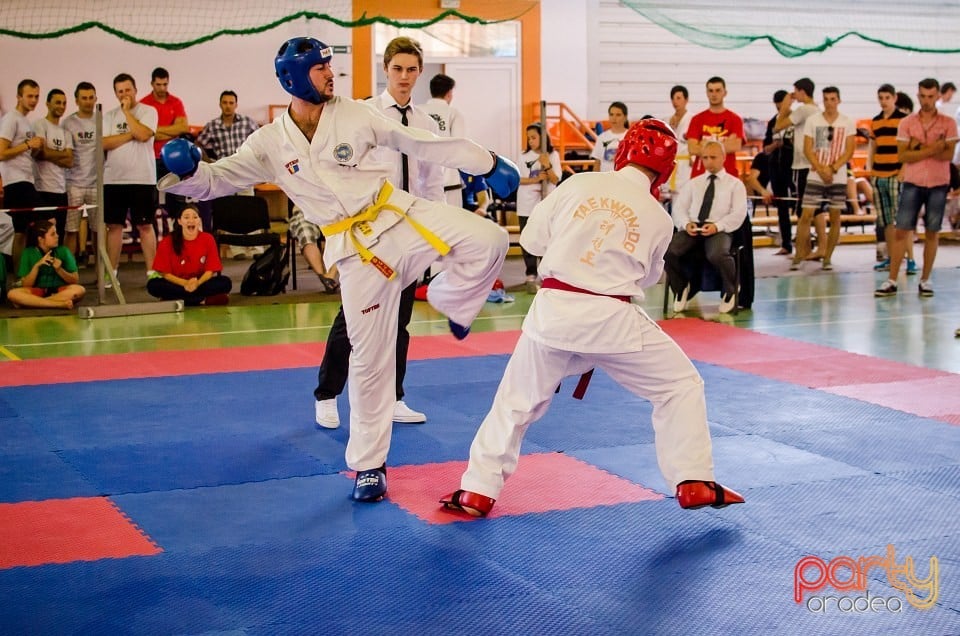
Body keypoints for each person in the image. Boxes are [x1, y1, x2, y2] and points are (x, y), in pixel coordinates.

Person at [158, 36, 517, 503]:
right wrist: (187, 173)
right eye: (320, 68)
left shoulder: (356, 113)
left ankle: (450, 297)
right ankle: (369, 466)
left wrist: (486, 161)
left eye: (330, 66)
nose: (331, 74)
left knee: (490, 239)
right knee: (370, 360)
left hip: (399, 216)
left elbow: (422, 142)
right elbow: (217, 180)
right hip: (353, 252)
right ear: (292, 78)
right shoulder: (269, 143)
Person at [439, 119, 744, 518]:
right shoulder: (659, 217)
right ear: (665, 169)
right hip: (613, 320)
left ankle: (477, 490)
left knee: (515, 403)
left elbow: (531, 241)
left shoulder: (578, 185)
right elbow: (648, 278)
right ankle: (692, 478)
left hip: (554, 312)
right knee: (680, 386)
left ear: (624, 152)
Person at [313, 36, 444, 431]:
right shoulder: (363, 115)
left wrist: (435, 235)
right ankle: (327, 394)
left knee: (399, 321)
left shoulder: (425, 124)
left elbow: (432, 181)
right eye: (397, 69)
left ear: (420, 73)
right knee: (353, 319)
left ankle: (394, 396)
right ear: (386, 70)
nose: (405, 77)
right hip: (369, 233)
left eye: (411, 69)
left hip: (409, 232)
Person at [876, 78, 958, 297]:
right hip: (912, 182)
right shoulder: (907, 122)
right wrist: (934, 147)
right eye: (922, 96)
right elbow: (903, 155)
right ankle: (891, 279)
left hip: (939, 183)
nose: (926, 101)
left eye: (931, 96)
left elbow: (948, 154)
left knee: (932, 231)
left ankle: (926, 279)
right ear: (918, 95)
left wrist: (918, 147)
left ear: (938, 96)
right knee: (902, 230)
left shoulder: (949, 122)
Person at [665, 140, 747, 314]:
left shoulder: (735, 184)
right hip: (694, 227)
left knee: (717, 254)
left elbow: (738, 214)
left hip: (719, 228)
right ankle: (680, 288)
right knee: (667, 251)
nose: (708, 161)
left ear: (723, 158)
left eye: (713, 157)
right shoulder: (694, 183)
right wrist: (686, 224)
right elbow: (679, 208)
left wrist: (717, 226)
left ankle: (730, 290)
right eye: (705, 158)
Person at [790, 87, 856, 271]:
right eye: (826, 99)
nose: (829, 102)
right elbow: (808, 148)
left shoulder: (847, 122)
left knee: (835, 216)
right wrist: (820, 169)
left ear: (839, 101)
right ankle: (798, 254)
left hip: (838, 175)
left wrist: (833, 168)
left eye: (833, 99)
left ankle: (827, 257)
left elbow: (849, 150)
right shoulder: (814, 120)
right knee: (806, 214)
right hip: (815, 174)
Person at [103, 72, 159, 283]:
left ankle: (152, 272)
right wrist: (130, 134)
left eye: (127, 90)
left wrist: (127, 113)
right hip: (114, 179)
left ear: (135, 90)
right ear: (115, 93)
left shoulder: (148, 111)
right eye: (120, 91)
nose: (124, 94)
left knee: (145, 226)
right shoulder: (108, 116)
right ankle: (111, 272)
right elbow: (104, 143)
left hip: (142, 178)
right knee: (114, 226)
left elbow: (144, 134)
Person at [197, 90, 262, 259]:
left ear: (236, 105)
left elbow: (260, 140)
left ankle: (256, 247)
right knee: (231, 209)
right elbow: (199, 144)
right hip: (224, 173)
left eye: (231, 103)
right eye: (225, 103)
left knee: (248, 208)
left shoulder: (247, 123)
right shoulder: (212, 126)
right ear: (220, 104)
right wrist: (210, 162)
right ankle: (237, 249)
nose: (228, 106)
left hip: (245, 171)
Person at [146, 204, 231, 305]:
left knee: (225, 282)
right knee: (153, 285)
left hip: (199, 283)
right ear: (179, 221)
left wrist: (197, 283)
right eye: (186, 217)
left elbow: (210, 271)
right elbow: (165, 274)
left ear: (199, 221)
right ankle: (200, 300)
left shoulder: (208, 239)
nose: (191, 220)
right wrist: (185, 283)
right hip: (177, 283)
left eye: (195, 217)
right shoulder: (167, 241)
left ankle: (178, 300)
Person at [868, 84, 912, 273]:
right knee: (885, 220)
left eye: (887, 97)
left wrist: (903, 169)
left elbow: (909, 148)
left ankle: (910, 258)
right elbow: (873, 147)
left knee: (901, 220)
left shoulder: (903, 120)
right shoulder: (875, 121)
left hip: (896, 174)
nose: (884, 101)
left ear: (894, 98)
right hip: (879, 174)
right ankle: (891, 257)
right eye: (881, 97)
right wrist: (871, 170)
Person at [0, 79, 45, 268]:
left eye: (36, 96)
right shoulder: (11, 118)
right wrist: (28, 145)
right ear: (19, 97)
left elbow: (24, 152)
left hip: (26, 180)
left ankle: (22, 275)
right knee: (43, 224)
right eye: (29, 96)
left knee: (23, 231)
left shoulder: (25, 121)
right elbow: (1, 153)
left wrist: (34, 149)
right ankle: (26, 273)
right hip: (16, 182)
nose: (34, 100)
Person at [772, 78, 820, 251]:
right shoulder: (817, 110)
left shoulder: (803, 110)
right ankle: (817, 247)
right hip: (815, 164)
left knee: (802, 211)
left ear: (801, 91)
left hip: (802, 165)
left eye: (795, 92)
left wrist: (786, 104)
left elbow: (778, 126)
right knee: (816, 210)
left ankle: (804, 248)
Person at [517, 122, 561, 292]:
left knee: (546, 238)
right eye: (529, 138)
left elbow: (556, 179)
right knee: (527, 238)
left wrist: (547, 164)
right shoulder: (523, 156)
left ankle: (546, 273)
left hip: (546, 204)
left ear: (543, 138)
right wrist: (535, 179)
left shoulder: (552, 155)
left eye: (534, 137)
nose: (531, 141)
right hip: (526, 204)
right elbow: (519, 179)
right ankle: (530, 274)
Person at [141, 67, 189, 219]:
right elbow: (144, 133)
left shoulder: (176, 102)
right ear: (152, 84)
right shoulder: (144, 104)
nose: (162, 88)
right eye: (158, 84)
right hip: (151, 157)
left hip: (173, 158)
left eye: (165, 84)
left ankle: (178, 232)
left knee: (177, 198)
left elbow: (183, 127)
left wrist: (155, 131)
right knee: (150, 199)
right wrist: (170, 130)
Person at [7, 218, 85, 310]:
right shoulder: (28, 252)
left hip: (59, 290)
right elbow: (26, 285)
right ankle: (58, 304)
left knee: (79, 290)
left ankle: (33, 303)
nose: (57, 236)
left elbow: (75, 280)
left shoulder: (64, 251)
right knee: (12, 294)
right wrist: (37, 266)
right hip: (38, 290)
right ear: (41, 239)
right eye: (53, 234)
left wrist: (59, 270)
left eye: (56, 233)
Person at [63, 82, 99, 262]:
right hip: (73, 184)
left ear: (96, 99)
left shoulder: (101, 119)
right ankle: (69, 272)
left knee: (99, 230)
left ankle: (102, 274)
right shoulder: (68, 123)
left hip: (96, 183)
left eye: (91, 98)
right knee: (71, 230)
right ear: (76, 100)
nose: (88, 102)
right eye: (84, 98)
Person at [33, 89, 74, 243]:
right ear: (48, 104)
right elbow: (39, 153)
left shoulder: (65, 132)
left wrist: (50, 153)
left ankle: (56, 266)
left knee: (59, 234)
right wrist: (61, 154)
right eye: (58, 102)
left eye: (64, 103)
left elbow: (70, 161)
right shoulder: (39, 124)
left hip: (61, 190)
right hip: (43, 189)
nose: (61, 106)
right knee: (44, 236)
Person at [420, 73, 468, 207]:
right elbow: (460, 146)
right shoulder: (454, 113)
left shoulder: (417, 111)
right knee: (453, 225)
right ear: (449, 93)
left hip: (421, 181)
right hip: (449, 180)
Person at [686, 76, 745, 178]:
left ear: (725, 93)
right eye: (711, 91)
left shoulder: (735, 119)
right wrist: (723, 144)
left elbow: (735, 146)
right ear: (707, 93)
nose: (714, 94)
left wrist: (704, 145)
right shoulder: (697, 119)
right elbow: (692, 148)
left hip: (728, 176)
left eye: (718, 90)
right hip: (700, 176)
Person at [762, 90, 795, 255]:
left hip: (794, 167)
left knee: (801, 205)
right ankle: (786, 243)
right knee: (782, 206)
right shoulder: (772, 123)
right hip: (776, 167)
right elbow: (766, 148)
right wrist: (776, 145)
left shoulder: (796, 119)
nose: (779, 107)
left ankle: (808, 242)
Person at [288, 207, 340, 293]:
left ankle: (330, 276)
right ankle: (323, 277)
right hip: (305, 210)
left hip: (334, 211)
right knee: (305, 233)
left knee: (344, 235)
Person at [666, 86, 693, 197]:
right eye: (673, 98)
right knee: (671, 197)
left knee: (685, 196)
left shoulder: (693, 119)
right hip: (672, 163)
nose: (675, 101)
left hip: (687, 164)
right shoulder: (668, 120)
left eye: (678, 98)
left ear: (686, 100)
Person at [590, 101, 629, 172]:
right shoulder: (602, 137)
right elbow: (597, 163)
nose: (614, 118)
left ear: (625, 117)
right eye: (611, 114)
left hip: (622, 179)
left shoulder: (630, 136)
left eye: (618, 115)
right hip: (604, 179)